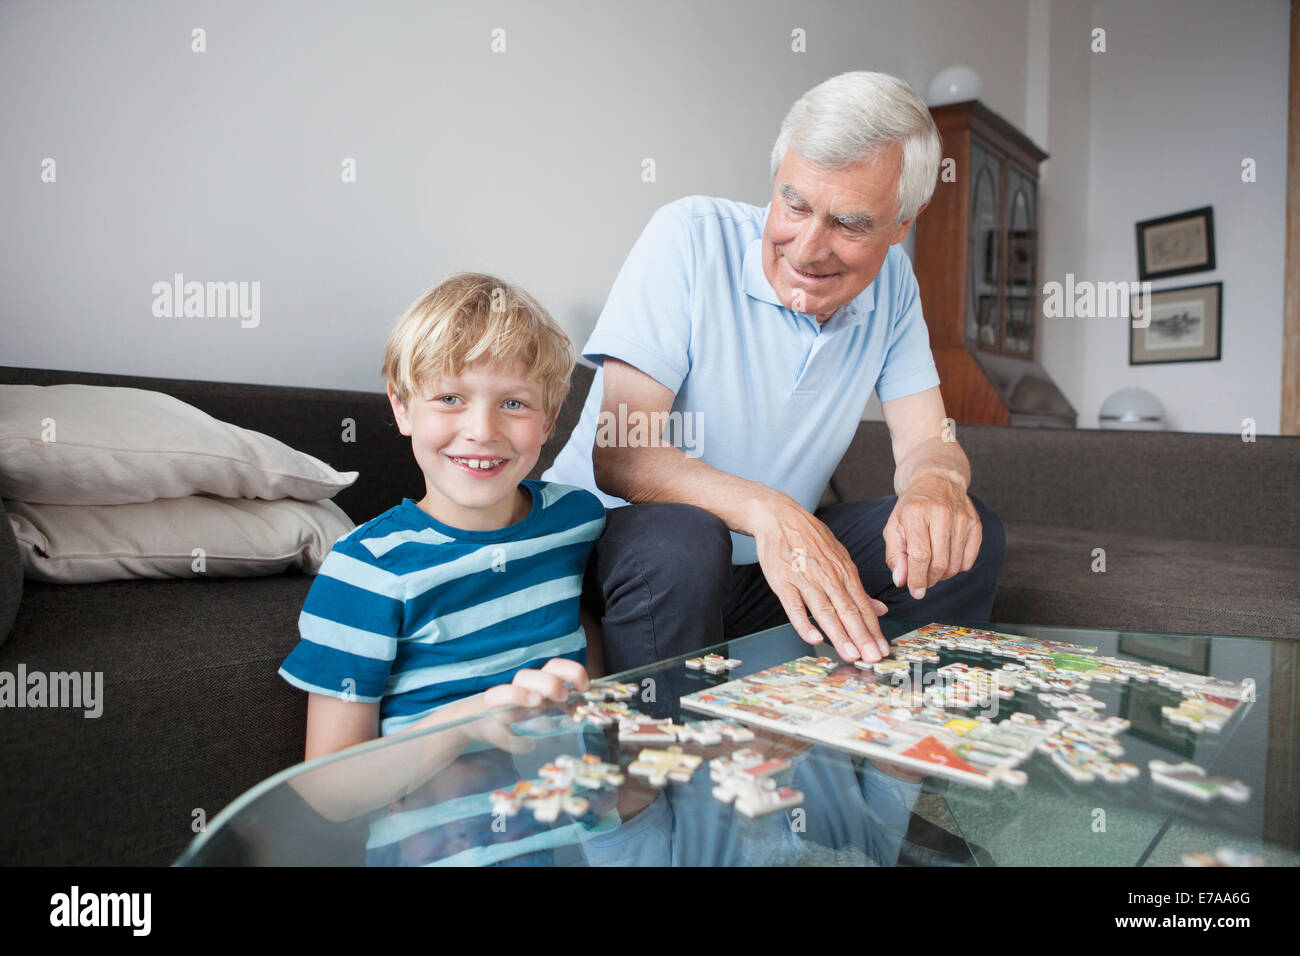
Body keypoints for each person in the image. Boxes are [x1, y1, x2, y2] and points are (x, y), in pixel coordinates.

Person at [544, 71, 1007, 676]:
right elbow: (623, 455)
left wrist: (937, 482)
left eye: (850, 223)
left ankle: (872, 730)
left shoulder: (895, 285)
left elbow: (925, 440)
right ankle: (659, 757)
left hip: (754, 573)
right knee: (686, 541)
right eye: (795, 203)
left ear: (903, 224)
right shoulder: (687, 236)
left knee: (964, 538)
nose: (808, 248)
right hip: (613, 561)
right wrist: (772, 512)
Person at [279, 273, 605, 766]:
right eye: (450, 399)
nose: (481, 431)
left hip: (572, 825)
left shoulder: (576, 521)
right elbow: (326, 789)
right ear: (402, 406)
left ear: (549, 419)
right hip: (436, 839)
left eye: (513, 404)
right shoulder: (364, 572)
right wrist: (468, 724)